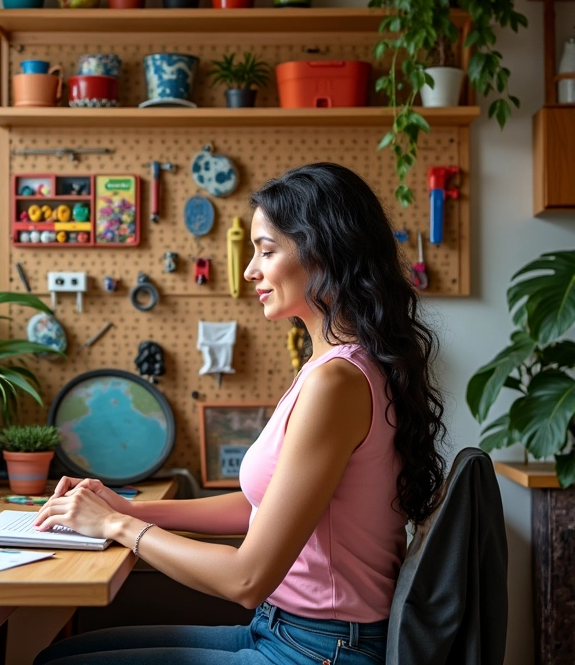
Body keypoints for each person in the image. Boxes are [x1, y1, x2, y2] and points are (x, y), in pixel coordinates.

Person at [33, 162, 447, 665]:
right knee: (61, 653)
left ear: (324, 254)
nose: (251, 270)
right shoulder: (337, 366)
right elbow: (263, 509)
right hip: (288, 631)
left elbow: (246, 579)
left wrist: (117, 529)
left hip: (323, 649)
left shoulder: (337, 382)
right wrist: (127, 509)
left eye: (267, 251)